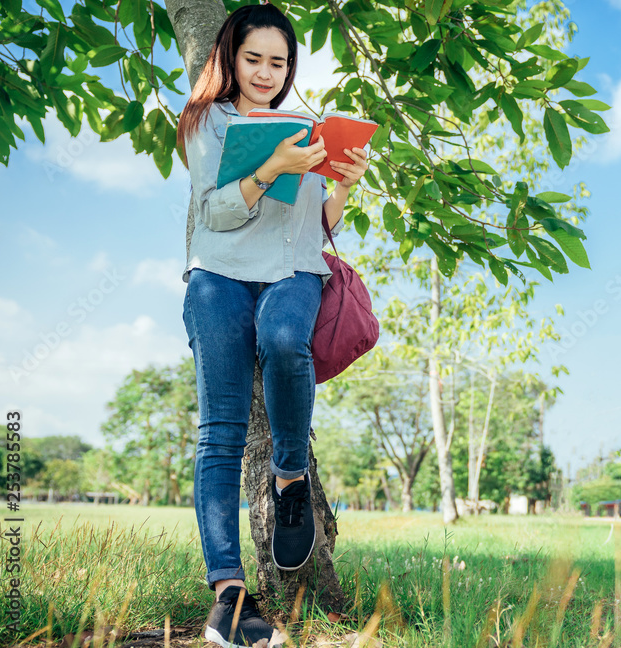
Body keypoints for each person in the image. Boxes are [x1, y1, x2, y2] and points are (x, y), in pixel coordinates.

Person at [175, 3, 368, 647]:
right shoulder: (210, 122)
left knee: (287, 342)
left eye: (278, 61)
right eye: (253, 58)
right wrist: (270, 169)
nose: (265, 72)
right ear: (230, 58)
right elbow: (215, 215)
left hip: (291, 272)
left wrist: (343, 183)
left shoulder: (304, 129)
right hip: (219, 276)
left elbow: (317, 226)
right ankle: (229, 594)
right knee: (219, 432)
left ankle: (289, 475)